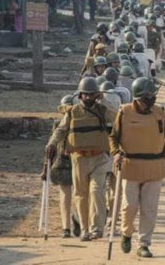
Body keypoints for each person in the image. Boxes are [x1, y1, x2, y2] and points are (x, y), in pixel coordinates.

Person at [45, 78, 115, 241]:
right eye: (86, 94)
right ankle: (85, 229)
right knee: (81, 194)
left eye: (92, 94)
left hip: (100, 157)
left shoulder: (102, 110)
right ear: (80, 95)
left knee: (97, 191)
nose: (89, 98)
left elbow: (117, 116)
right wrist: (52, 143)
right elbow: (61, 130)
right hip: (79, 159)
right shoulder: (72, 112)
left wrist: (103, 100)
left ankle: (97, 228)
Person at [110, 77, 165, 258]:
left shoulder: (159, 112)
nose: (150, 101)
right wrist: (116, 153)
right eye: (147, 97)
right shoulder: (124, 113)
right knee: (129, 207)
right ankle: (126, 233)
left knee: (149, 208)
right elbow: (113, 137)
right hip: (130, 166)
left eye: (152, 96)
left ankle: (144, 243)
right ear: (138, 98)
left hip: (154, 166)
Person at [41, 94, 80, 238]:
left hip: (77, 160)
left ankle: (73, 222)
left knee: (75, 194)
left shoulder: (76, 121)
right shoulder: (60, 124)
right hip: (65, 160)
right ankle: (67, 226)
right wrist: (45, 167)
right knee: (70, 194)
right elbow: (51, 148)